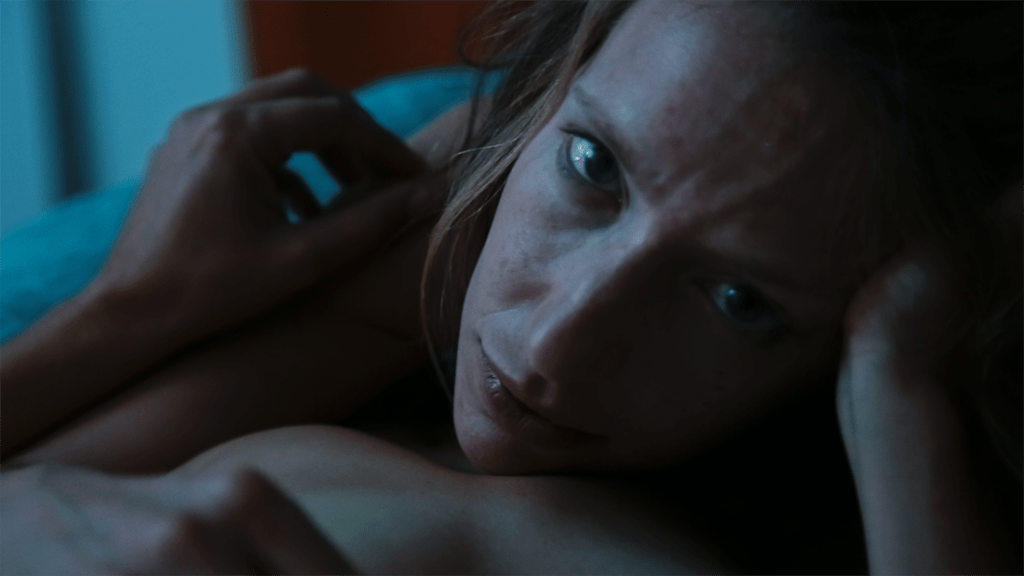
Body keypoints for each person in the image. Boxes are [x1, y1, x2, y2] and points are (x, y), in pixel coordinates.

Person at [2, 1, 1020, 573]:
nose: (552, 344)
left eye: (738, 301)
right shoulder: (435, 257)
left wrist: (903, 387)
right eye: (594, 167)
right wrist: (135, 302)